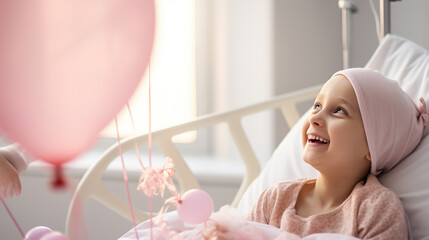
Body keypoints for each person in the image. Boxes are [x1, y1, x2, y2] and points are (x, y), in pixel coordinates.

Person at [244, 68, 427, 239]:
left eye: (339, 111)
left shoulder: (377, 209)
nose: (314, 118)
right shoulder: (274, 199)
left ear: (374, 146)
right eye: (317, 106)